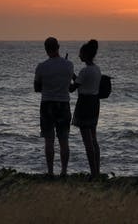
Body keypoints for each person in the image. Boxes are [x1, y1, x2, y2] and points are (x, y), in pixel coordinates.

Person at [34, 37, 74, 177]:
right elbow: (69, 86)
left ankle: (50, 172)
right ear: (58, 47)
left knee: (49, 140)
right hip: (63, 104)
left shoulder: (41, 66)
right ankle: (64, 171)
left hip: (47, 104)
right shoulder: (69, 65)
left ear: (46, 49)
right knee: (64, 140)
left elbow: (36, 87)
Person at [70, 39, 102, 179]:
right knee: (94, 139)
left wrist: (65, 78)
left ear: (86, 54)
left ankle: (93, 174)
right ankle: (97, 171)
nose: (79, 56)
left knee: (87, 142)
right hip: (94, 104)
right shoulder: (96, 69)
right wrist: (72, 75)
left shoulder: (84, 71)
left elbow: (72, 88)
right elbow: (82, 83)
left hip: (84, 104)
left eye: (80, 53)